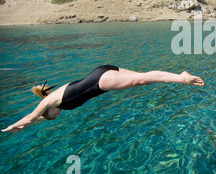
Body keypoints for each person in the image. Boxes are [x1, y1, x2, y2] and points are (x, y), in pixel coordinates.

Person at [1, 65, 204, 134]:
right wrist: (24, 127)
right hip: (102, 72)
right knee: (142, 79)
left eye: (53, 116)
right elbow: (36, 119)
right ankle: (179, 76)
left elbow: (31, 116)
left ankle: (182, 77)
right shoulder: (54, 103)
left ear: (48, 110)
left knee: (142, 79)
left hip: (100, 81)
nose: (57, 115)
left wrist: (13, 125)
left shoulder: (49, 102)